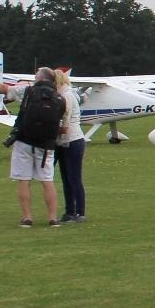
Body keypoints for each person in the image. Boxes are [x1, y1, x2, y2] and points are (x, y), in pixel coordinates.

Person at [0, 66, 61, 227]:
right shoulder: (59, 97)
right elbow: (61, 125)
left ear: (41, 79)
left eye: (36, 76)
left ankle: (27, 217)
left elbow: (4, 89)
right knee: (47, 181)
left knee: (23, 180)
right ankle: (53, 218)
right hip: (47, 146)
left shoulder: (28, 91)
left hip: (24, 141)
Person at [54, 68, 87, 224]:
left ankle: (79, 212)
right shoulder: (65, 94)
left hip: (72, 139)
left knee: (74, 177)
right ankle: (69, 211)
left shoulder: (66, 96)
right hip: (64, 141)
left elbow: (65, 120)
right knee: (66, 178)